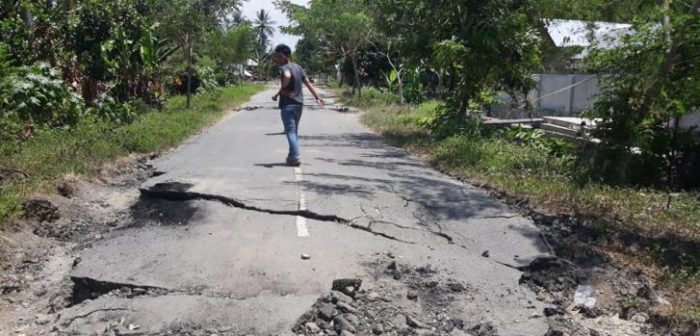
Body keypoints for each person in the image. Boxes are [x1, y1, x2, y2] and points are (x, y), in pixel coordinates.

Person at [272, 44, 325, 167]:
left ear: (287, 56)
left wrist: (284, 85)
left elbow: (287, 76)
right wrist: (317, 97)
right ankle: (291, 157)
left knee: (290, 131)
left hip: (288, 105)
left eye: (280, 56)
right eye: (277, 57)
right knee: (294, 132)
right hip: (299, 105)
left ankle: (295, 157)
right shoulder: (299, 68)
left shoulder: (285, 67)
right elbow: (307, 83)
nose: (278, 59)